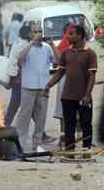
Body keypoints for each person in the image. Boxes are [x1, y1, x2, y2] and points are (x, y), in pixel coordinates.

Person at [44, 25, 97, 156]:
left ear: (80, 36)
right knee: (69, 126)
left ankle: (86, 152)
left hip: (83, 97)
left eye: (72, 34)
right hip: (67, 96)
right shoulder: (66, 53)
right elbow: (59, 73)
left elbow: (92, 76)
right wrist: (47, 86)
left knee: (86, 125)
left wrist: (87, 95)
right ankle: (69, 153)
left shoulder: (90, 53)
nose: (69, 36)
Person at [15, 23, 60, 152]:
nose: (38, 34)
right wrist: (31, 43)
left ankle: (37, 143)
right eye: (35, 32)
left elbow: (59, 60)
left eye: (40, 31)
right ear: (30, 34)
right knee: (24, 117)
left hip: (43, 87)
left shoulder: (47, 48)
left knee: (41, 117)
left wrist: (52, 44)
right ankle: (20, 144)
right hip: (28, 87)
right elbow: (20, 57)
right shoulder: (24, 46)